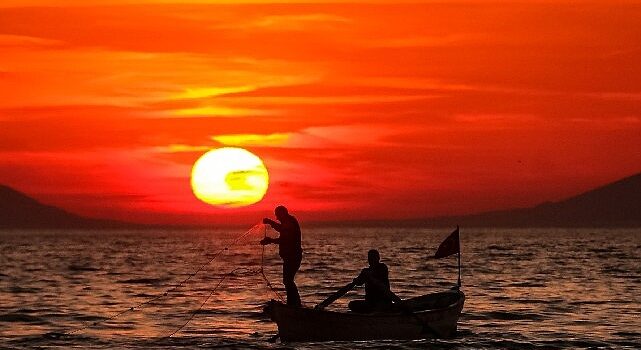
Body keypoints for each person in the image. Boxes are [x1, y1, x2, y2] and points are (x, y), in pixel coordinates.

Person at [260, 205, 303, 307]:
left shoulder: (290, 222)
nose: (277, 218)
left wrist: (270, 224)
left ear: (282, 214)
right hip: (289, 257)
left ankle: (294, 305)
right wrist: (270, 237)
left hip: (293, 257)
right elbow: (282, 230)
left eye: (277, 216)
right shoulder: (286, 223)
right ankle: (293, 304)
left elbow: (285, 237)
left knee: (288, 280)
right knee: (288, 280)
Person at [348, 249, 400, 313]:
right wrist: (356, 280)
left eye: (373, 257)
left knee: (378, 310)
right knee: (352, 304)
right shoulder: (365, 271)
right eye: (369, 258)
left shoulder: (382, 267)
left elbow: (376, 275)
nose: (371, 260)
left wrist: (369, 276)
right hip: (370, 303)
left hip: (383, 302)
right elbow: (359, 283)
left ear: (378, 258)